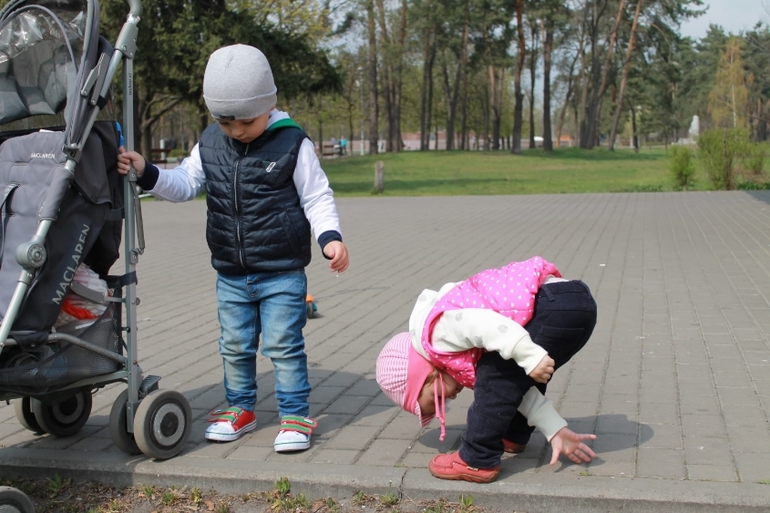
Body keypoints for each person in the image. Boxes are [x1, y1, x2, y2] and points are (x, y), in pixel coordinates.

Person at [117, 44, 350, 452]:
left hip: (281, 271)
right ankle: (239, 408)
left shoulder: (293, 142)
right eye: (227, 123)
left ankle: (295, 415)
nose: (237, 131)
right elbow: (186, 183)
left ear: (267, 105)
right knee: (235, 346)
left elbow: (317, 197)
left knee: (283, 345)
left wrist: (330, 239)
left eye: (246, 121)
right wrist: (147, 173)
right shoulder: (211, 142)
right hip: (230, 272)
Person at [376, 256, 597, 483]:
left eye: (437, 400)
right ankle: (513, 433)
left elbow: (483, 324)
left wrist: (529, 354)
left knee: (494, 378)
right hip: (574, 304)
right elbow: (514, 387)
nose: (451, 397)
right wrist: (556, 430)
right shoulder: (446, 345)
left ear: (426, 375)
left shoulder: (437, 333)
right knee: (511, 377)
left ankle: (476, 459)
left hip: (552, 305)